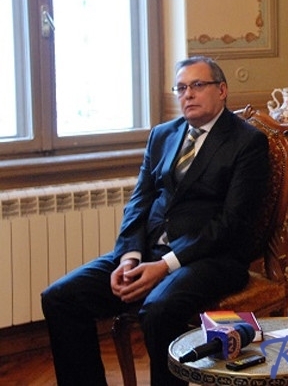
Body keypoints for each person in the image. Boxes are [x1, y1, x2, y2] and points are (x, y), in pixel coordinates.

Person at [41, 56, 270, 386]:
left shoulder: (247, 142)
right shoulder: (163, 135)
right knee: (60, 297)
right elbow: (139, 202)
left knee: (158, 311)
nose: (187, 94)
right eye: (181, 88)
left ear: (222, 90)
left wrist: (165, 265)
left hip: (210, 258)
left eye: (197, 85)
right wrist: (128, 257)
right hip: (148, 253)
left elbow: (231, 223)